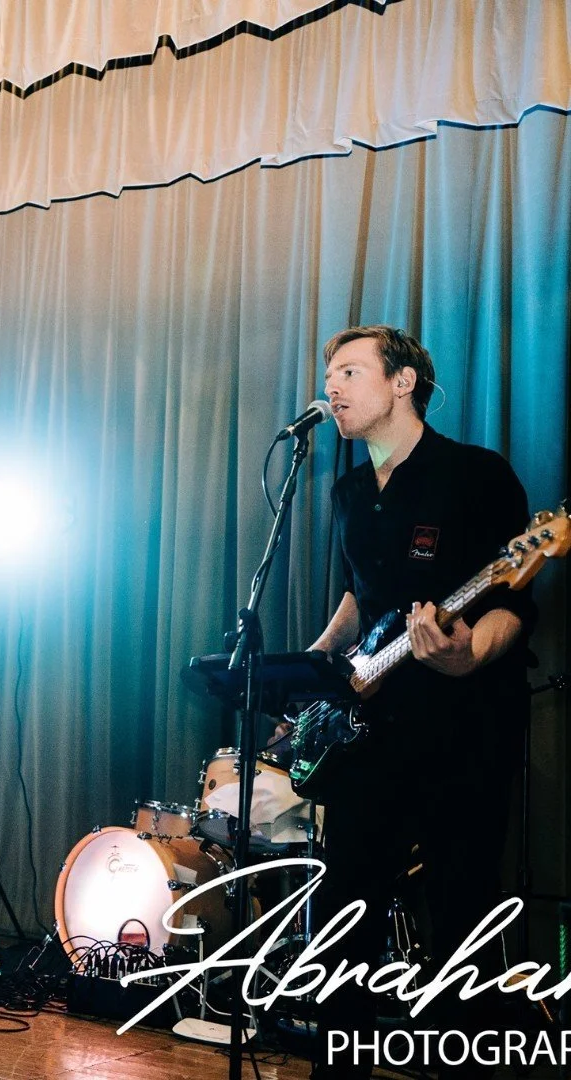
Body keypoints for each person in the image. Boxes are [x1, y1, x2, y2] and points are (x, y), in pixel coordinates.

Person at [305, 326, 535, 1079]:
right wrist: (316, 664)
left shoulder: (476, 474)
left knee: (461, 908)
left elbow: (512, 600)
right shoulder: (347, 491)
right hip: (371, 729)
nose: (331, 388)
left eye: (349, 372)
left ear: (403, 382)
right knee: (345, 906)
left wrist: (468, 655)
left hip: (464, 727)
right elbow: (360, 596)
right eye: (329, 375)